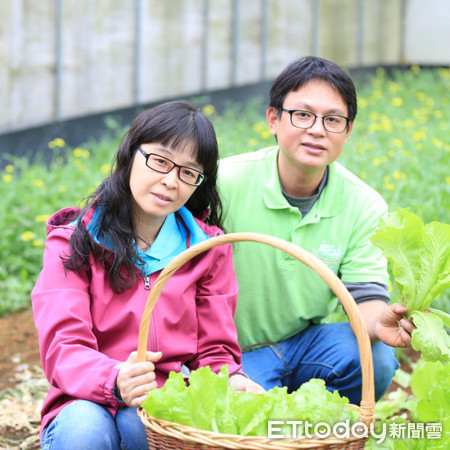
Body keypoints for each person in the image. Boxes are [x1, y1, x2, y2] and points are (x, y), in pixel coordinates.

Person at [32, 100, 263, 450]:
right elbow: (64, 346)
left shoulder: (207, 248)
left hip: (164, 399)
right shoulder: (73, 240)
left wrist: (231, 380)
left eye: (188, 172)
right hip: (83, 397)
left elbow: (214, 350)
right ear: (130, 154)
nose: (170, 181)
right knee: (85, 430)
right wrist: (114, 378)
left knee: (142, 427)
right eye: (160, 161)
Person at [218, 56, 415, 405]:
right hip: (230, 353)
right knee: (245, 418)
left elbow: (365, 298)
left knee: (377, 358)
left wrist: (381, 322)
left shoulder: (363, 204)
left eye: (333, 120)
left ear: (347, 131)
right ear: (274, 119)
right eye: (303, 115)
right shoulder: (224, 182)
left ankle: (315, 433)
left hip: (303, 341)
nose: (318, 129)